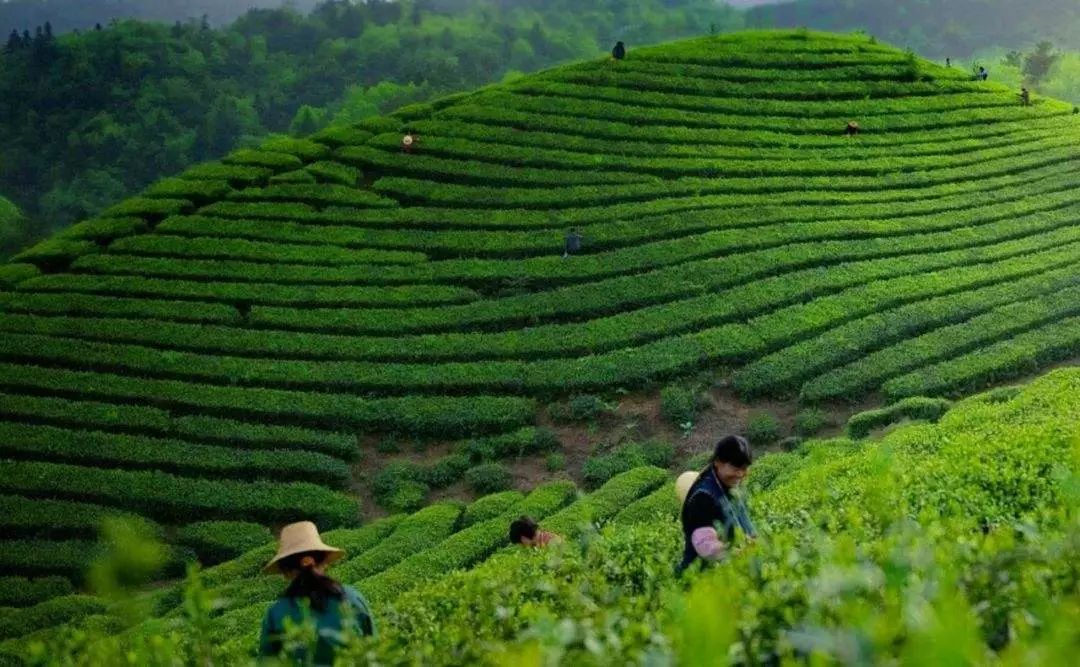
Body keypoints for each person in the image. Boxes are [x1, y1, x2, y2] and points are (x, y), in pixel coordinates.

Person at [260, 522, 375, 665]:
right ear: (325, 561)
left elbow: (267, 662)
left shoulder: (276, 613)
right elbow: (373, 653)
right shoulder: (352, 599)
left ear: (285, 572)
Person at [676, 435, 756, 576]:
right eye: (735, 467)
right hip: (700, 579)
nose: (741, 474)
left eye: (744, 468)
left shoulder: (733, 486)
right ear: (718, 462)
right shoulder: (703, 497)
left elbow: (745, 524)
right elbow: (705, 544)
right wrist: (736, 554)